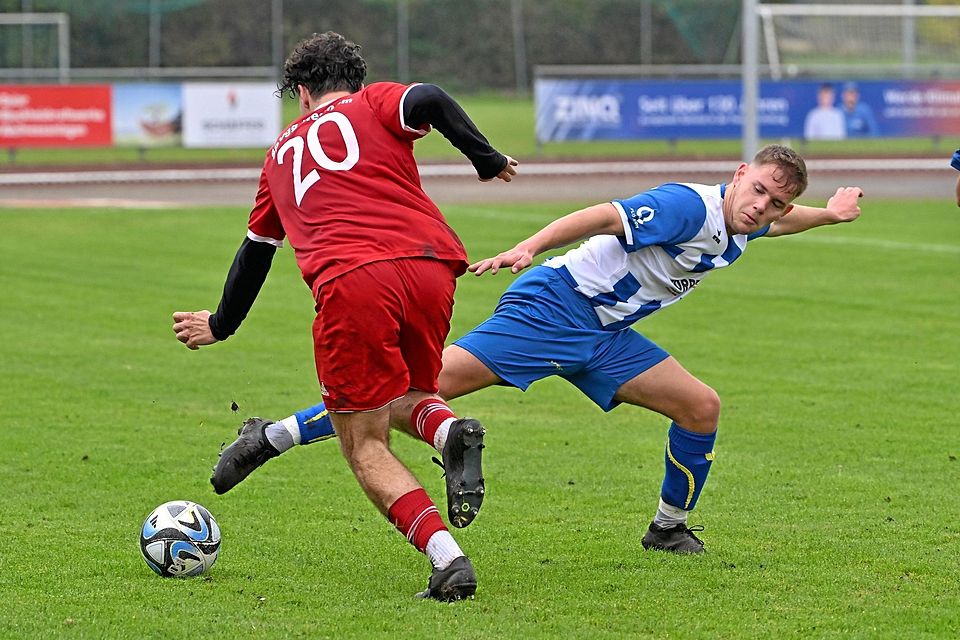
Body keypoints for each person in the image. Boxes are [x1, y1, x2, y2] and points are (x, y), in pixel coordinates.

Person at [208, 145, 864, 556]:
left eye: (776, 203)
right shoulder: (684, 209)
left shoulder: (755, 222)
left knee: (700, 408)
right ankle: (273, 434)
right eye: (759, 191)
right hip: (554, 308)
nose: (764, 207)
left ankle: (667, 528)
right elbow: (604, 215)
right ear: (738, 172)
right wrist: (531, 245)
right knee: (408, 392)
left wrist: (828, 215)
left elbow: (782, 224)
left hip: (604, 337)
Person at [172, 31, 518, 602]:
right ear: (354, 82)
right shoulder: (375, 103)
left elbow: (257, 248)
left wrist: (222, 322)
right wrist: (484, 158)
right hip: (431, 267)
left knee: (362, 442)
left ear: (303, 93)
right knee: (408, 394)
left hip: (352, 280)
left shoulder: (281, 153)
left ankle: (448, 560)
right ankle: (451, 430)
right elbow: (428, 97)